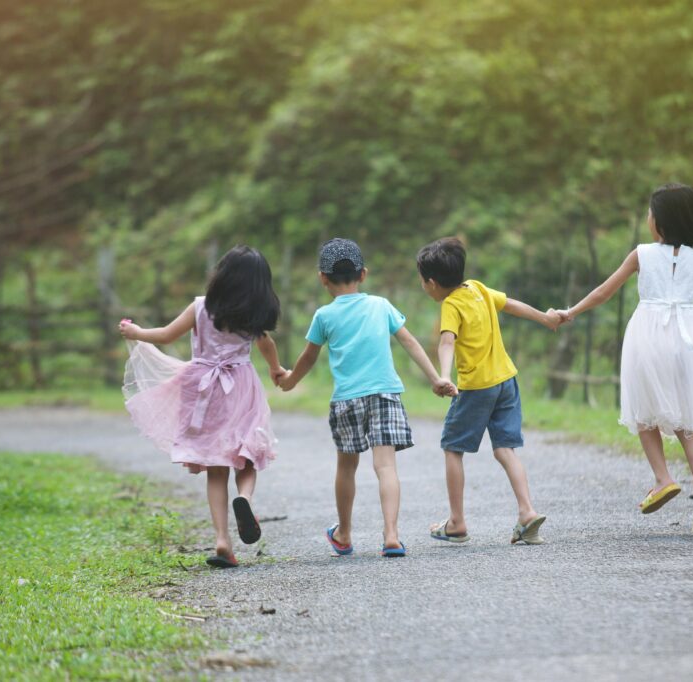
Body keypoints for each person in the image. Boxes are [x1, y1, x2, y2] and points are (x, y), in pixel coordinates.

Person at [554, 183, 693, 537]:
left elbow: (604, 291)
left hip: (649, 336)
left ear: (661, 223)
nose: (648, 219)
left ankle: (662, 479)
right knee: (688, 422)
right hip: (687, 339)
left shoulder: (641, 254)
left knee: (644, 412)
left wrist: (571, 311)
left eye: (651, 214)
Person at [278, 238, 456, 558]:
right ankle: (391, 535)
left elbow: (307, 358)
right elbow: (410, 342)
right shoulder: (381, 305)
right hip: (385, 394)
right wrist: (436, 378)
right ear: (363, 274)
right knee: (386, 467)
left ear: (323, 278)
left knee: (346, 468)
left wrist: (290, 381)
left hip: (346, 400)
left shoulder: (324, 316)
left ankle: (344, 534)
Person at [119, 245, 289, 568]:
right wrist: (275, 369)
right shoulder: (253, 315)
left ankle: (222, 540)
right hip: (240, 387)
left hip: (202, 389)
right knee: (247, 453)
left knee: (216, 466)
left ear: (221, 277)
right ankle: (246, 499)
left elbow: (167, 335)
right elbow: (267, 345)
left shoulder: (201, 307)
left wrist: (136, 332)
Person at [416, 237, 560, 546]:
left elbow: (446, 341)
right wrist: (545, 318)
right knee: (505, 449)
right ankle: (526, 512)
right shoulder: (478, 288)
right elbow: (511, 305)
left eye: (423, 282)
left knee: (453, 448)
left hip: (477, 387)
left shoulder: (451, 304)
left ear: (431, 282)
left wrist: (443, 376)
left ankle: (456, 522)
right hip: (507, 381)